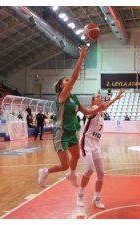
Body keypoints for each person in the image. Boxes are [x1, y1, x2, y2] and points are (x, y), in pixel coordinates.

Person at [38, 46, 106, 187]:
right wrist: (81, 57)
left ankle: (72, 174)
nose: (69, 81)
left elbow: (87, 112)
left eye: (69, 80)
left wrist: (99, 108)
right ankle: (45, 171)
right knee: (63, 165)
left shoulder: (74, 98)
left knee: (76, 156)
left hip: (71, 132)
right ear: (62, 86)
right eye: (66, 80)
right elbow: (75, 77)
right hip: (61, 133)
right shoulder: (62, 96)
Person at [77, 90, 125, 209]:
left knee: (101, 173)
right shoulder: (93, 109)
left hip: (96, 144)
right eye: (98, 97)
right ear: (93, 101)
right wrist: (114, 99)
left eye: (100, 96)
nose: (101, 97)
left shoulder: (101, 112)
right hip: (86, 142)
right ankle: (80, 195)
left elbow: (104, 107)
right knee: (89, 170)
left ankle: (97, 198)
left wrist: (116, 98)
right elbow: (92, 111)